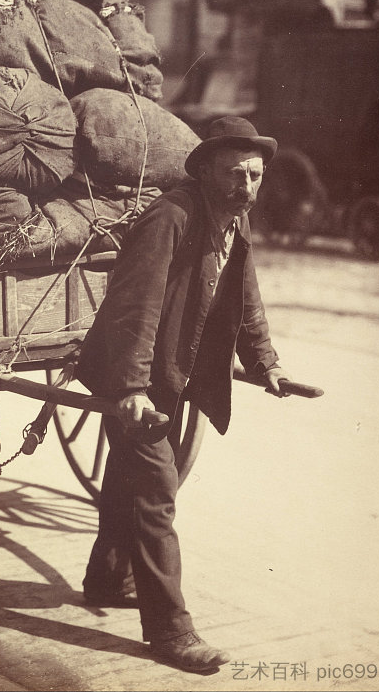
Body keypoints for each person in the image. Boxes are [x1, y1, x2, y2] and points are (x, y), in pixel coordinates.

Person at [75, 115, 293, 675]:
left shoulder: (232, 222)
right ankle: (170, 630)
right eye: (234, 174)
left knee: (132, 472)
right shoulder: (171, 217)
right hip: (137, 373)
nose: (244, 187)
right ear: (205, 171)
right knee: (156, 484)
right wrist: (128, 388)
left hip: (171, 372)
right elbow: (135, 305)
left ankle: (108, 576)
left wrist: (265, 363)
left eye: (254, 176)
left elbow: (245, 298)